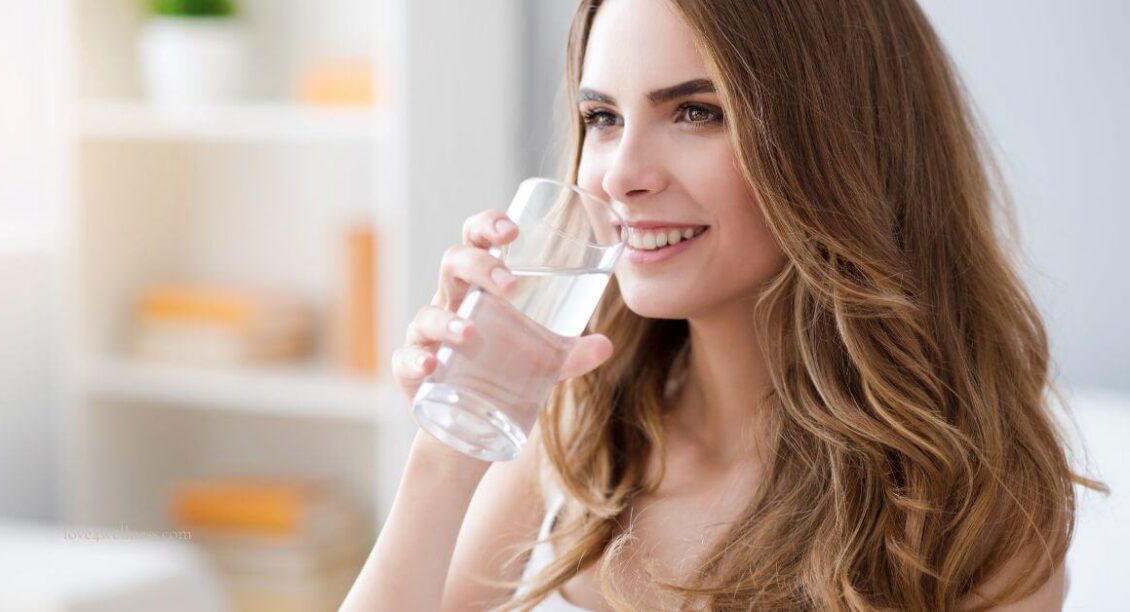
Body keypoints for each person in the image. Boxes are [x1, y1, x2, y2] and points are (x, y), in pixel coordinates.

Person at [342, 0, 1102, 609]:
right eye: (603, 118)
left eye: (697, 112)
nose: (619, 175)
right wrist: (449, 448)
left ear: (839, 146)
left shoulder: (972, 510)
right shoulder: (572, 431)